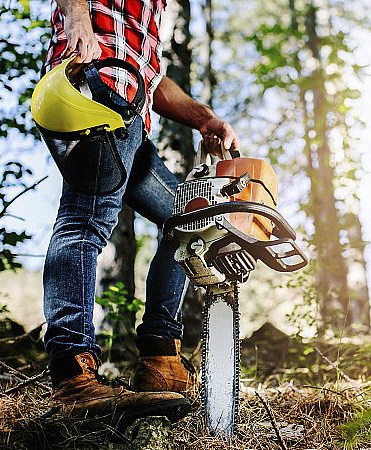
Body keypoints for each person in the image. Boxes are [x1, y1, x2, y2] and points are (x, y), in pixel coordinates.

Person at [40, 0, 240, 420]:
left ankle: (160, 359)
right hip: (97, 89)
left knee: (189, 222)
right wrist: (78, 18)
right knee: (85, 220)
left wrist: (205, 118)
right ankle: (73, 374)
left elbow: (152, 76)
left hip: (132, 108)